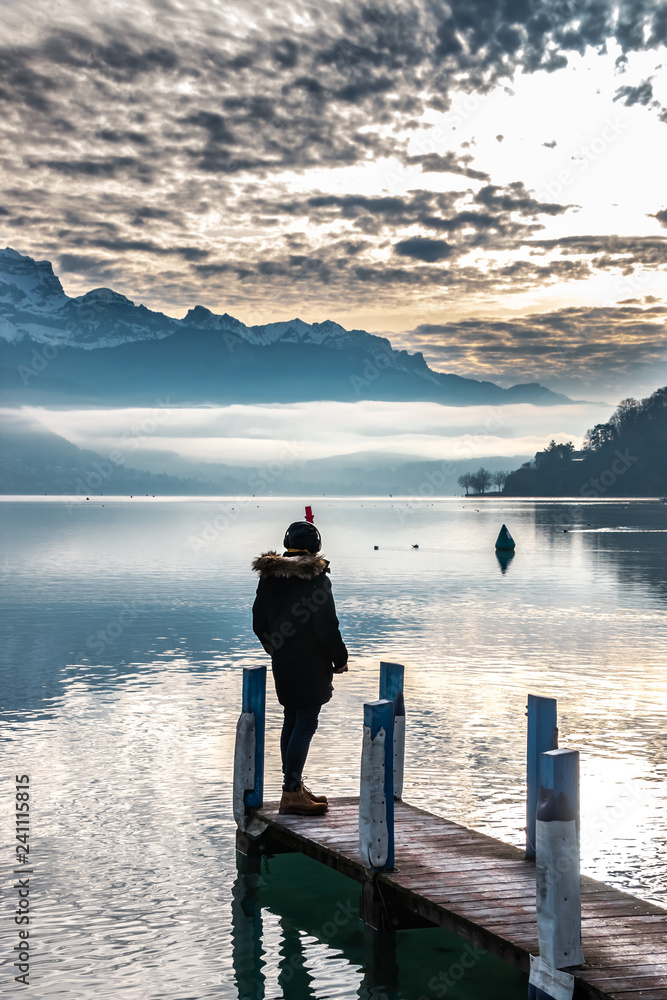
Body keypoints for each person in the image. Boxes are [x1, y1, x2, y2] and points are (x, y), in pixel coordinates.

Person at [252, 520, 348, 816]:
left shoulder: (269, 577)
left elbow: (258, 619)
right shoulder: (316, 578)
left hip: (283, 661)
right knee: (305, 722)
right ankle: (291, 793)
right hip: (312, 662)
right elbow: (326, 624)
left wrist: (275, 647)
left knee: (292, 718)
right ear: (315, 547)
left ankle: (292, 787)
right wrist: (340, 658)